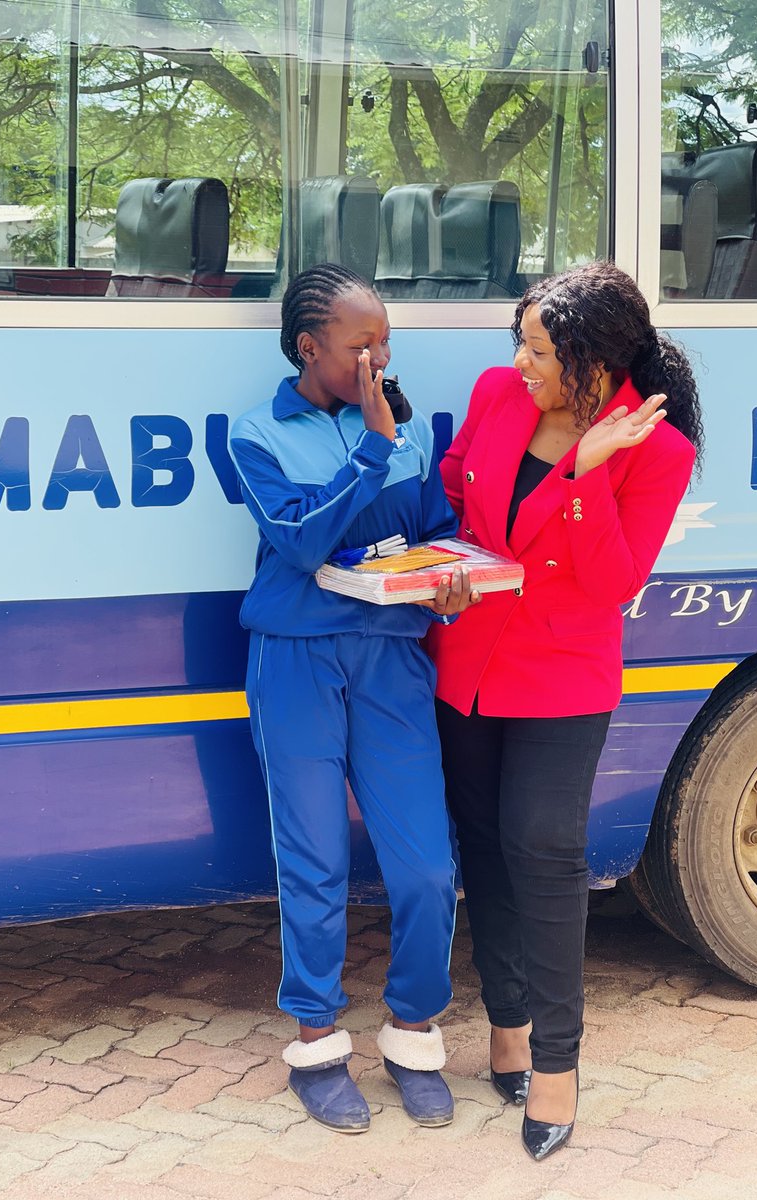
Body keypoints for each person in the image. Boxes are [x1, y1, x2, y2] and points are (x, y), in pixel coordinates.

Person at [427, 262, 702, 1161]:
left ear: (590, 358)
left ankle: (556, 1066)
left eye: (541, 349)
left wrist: (585, 472)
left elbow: (614, 581)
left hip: (559, 677)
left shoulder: (657, 451)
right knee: (484, 849)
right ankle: (505, 1024)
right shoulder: (498, 393)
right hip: (466, 662)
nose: (522, 360)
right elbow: (466, 492)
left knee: (542, 849)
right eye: (523, 341)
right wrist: (438, 568)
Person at [229, 263, 478, 1135]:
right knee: (315, 860)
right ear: (309, 347)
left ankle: (413, 1033)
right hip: (296, 658)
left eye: (386, 344)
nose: (379, 361)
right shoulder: (256, 433)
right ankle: (317, 1042)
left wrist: (451, 574)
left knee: (426, 865)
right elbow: (299, 544)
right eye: (360, 346)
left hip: (391, 660)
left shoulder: (403, 431)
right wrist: (372, 445)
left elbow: (433, 529)